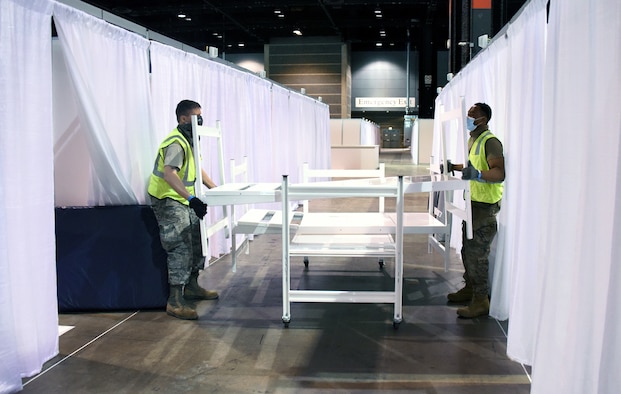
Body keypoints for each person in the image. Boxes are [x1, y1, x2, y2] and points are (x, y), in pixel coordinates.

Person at [148, 100, 219, 320]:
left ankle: (192, 286)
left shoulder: (190, 140)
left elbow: (198, 168)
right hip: (168, 199)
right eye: (196, 116)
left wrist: (217, 190)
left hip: (184, 198)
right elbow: (170, 174)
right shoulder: (176, 143)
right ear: (183, 119)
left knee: (197, 239)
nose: (200, 119)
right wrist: (191, 199)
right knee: (180, 246)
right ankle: (175, 300)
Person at [445, 102, 505, 318]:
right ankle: (470, 288)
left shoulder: (490, 142)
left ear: (484, 119)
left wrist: (478, 175)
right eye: (468, 113)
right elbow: (474, 165)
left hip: (485, 207)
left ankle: (481, 300)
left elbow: (498, 173)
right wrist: (456, 167)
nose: (469, 117)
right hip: (473, 204)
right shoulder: (474, 140)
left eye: (473, 114)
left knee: (477, 254)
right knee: (466, 250)